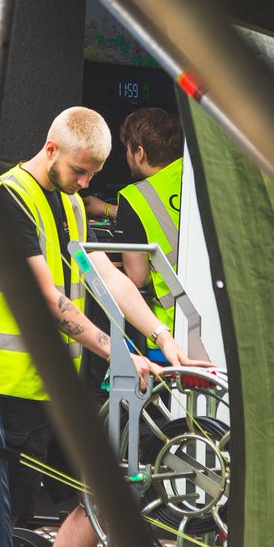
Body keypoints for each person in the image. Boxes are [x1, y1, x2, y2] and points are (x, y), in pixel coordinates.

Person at [0, 106, 210, 547]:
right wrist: (118, 351)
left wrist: (162, 336)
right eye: (80, 171)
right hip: (11, 392)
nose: (85, 183)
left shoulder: (71, 203)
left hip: (58, 389)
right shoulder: (9, 198)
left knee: (98, 495)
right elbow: (48, 299)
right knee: (11, 518)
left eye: (92, 175)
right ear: (51, 149)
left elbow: (108, 276)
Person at [84, 108, 184, 363]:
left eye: (127, 149)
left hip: (170, 326)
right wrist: (107, 209)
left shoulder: (135, 197)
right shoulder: (194, 178)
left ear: (140, 152)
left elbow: (137, 278)